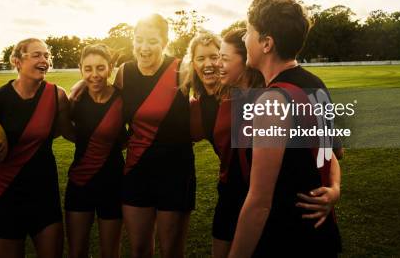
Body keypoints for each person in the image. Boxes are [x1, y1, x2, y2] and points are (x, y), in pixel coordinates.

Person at [71, 14, 195, 258]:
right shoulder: (124, 73)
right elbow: (106, 94)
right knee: (138, 249)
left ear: (165, 41)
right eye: (139, 40)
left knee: (170, 250)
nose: (144, 47)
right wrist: (82, 84)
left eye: (152, 41)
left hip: (175, 171)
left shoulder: (183, 69)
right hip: (137, 171)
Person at [229, 0, 342, 257]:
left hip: (287, 239)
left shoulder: (272, 101)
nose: (245, 38)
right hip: (320, 236)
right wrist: (335, 189)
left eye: (249, 32)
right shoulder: (315, 84)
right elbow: (330, 154)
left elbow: (259, 202)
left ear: (267, 43)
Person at [0, 38, 70, 258]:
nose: (44, 60)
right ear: (17, 61)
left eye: (47, 56)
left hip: (44, 191)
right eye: (37, 55)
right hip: (7, 192)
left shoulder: (57, 96)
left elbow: (62, 131)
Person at [189, 29, 263, 258]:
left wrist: (334, 186)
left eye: (217, 56)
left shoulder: (247, 92)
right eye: (201, 58)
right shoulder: (197, 105)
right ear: (192, 64)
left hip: (262, 191)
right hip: (229, 190)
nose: (211, 63)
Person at [64, 44, 126, 258]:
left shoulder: (124, 99)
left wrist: (111, 143)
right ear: (80, 69)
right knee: (76, 251)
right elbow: (64, 130)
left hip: (114, 183)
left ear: (110, 68)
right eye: (88, 69)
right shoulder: (75, 100)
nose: (94, 74)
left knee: (110, 252)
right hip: (80, 184)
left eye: (100, 68)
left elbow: (133, 134)